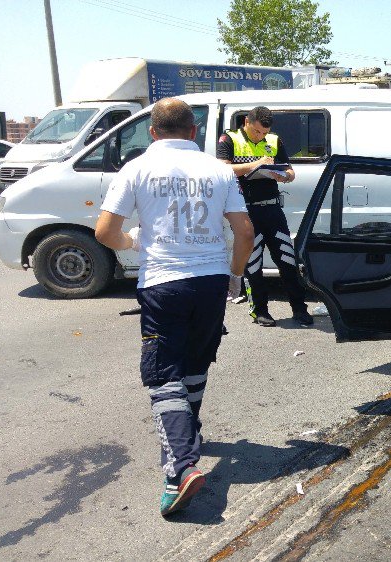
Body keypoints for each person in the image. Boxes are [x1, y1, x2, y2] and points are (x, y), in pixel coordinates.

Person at [95, 98, 255, 517]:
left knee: (163, 375)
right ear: (193, 132)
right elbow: (245, 231)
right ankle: (190, 432)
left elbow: (105, 231)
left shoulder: (136, 169)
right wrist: (235, 277)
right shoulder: (219, 170)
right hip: (211, 281)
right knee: (197, 361)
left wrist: (132, 242)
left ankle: (180, 468)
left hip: (164, 282)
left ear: (152, 132)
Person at [217, 106, 313, 327]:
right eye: (257, 132)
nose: (261, 136)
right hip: (245, 211)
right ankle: (260, 311)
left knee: (288, 260)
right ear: (247, 122)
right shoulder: (229, 139)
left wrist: (283, 176)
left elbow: (290, 172)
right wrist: (257, 164)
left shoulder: (274, 140)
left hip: (272, 208)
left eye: (264, 133)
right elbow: (222, 170)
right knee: (253, 263)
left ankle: (300, 309)